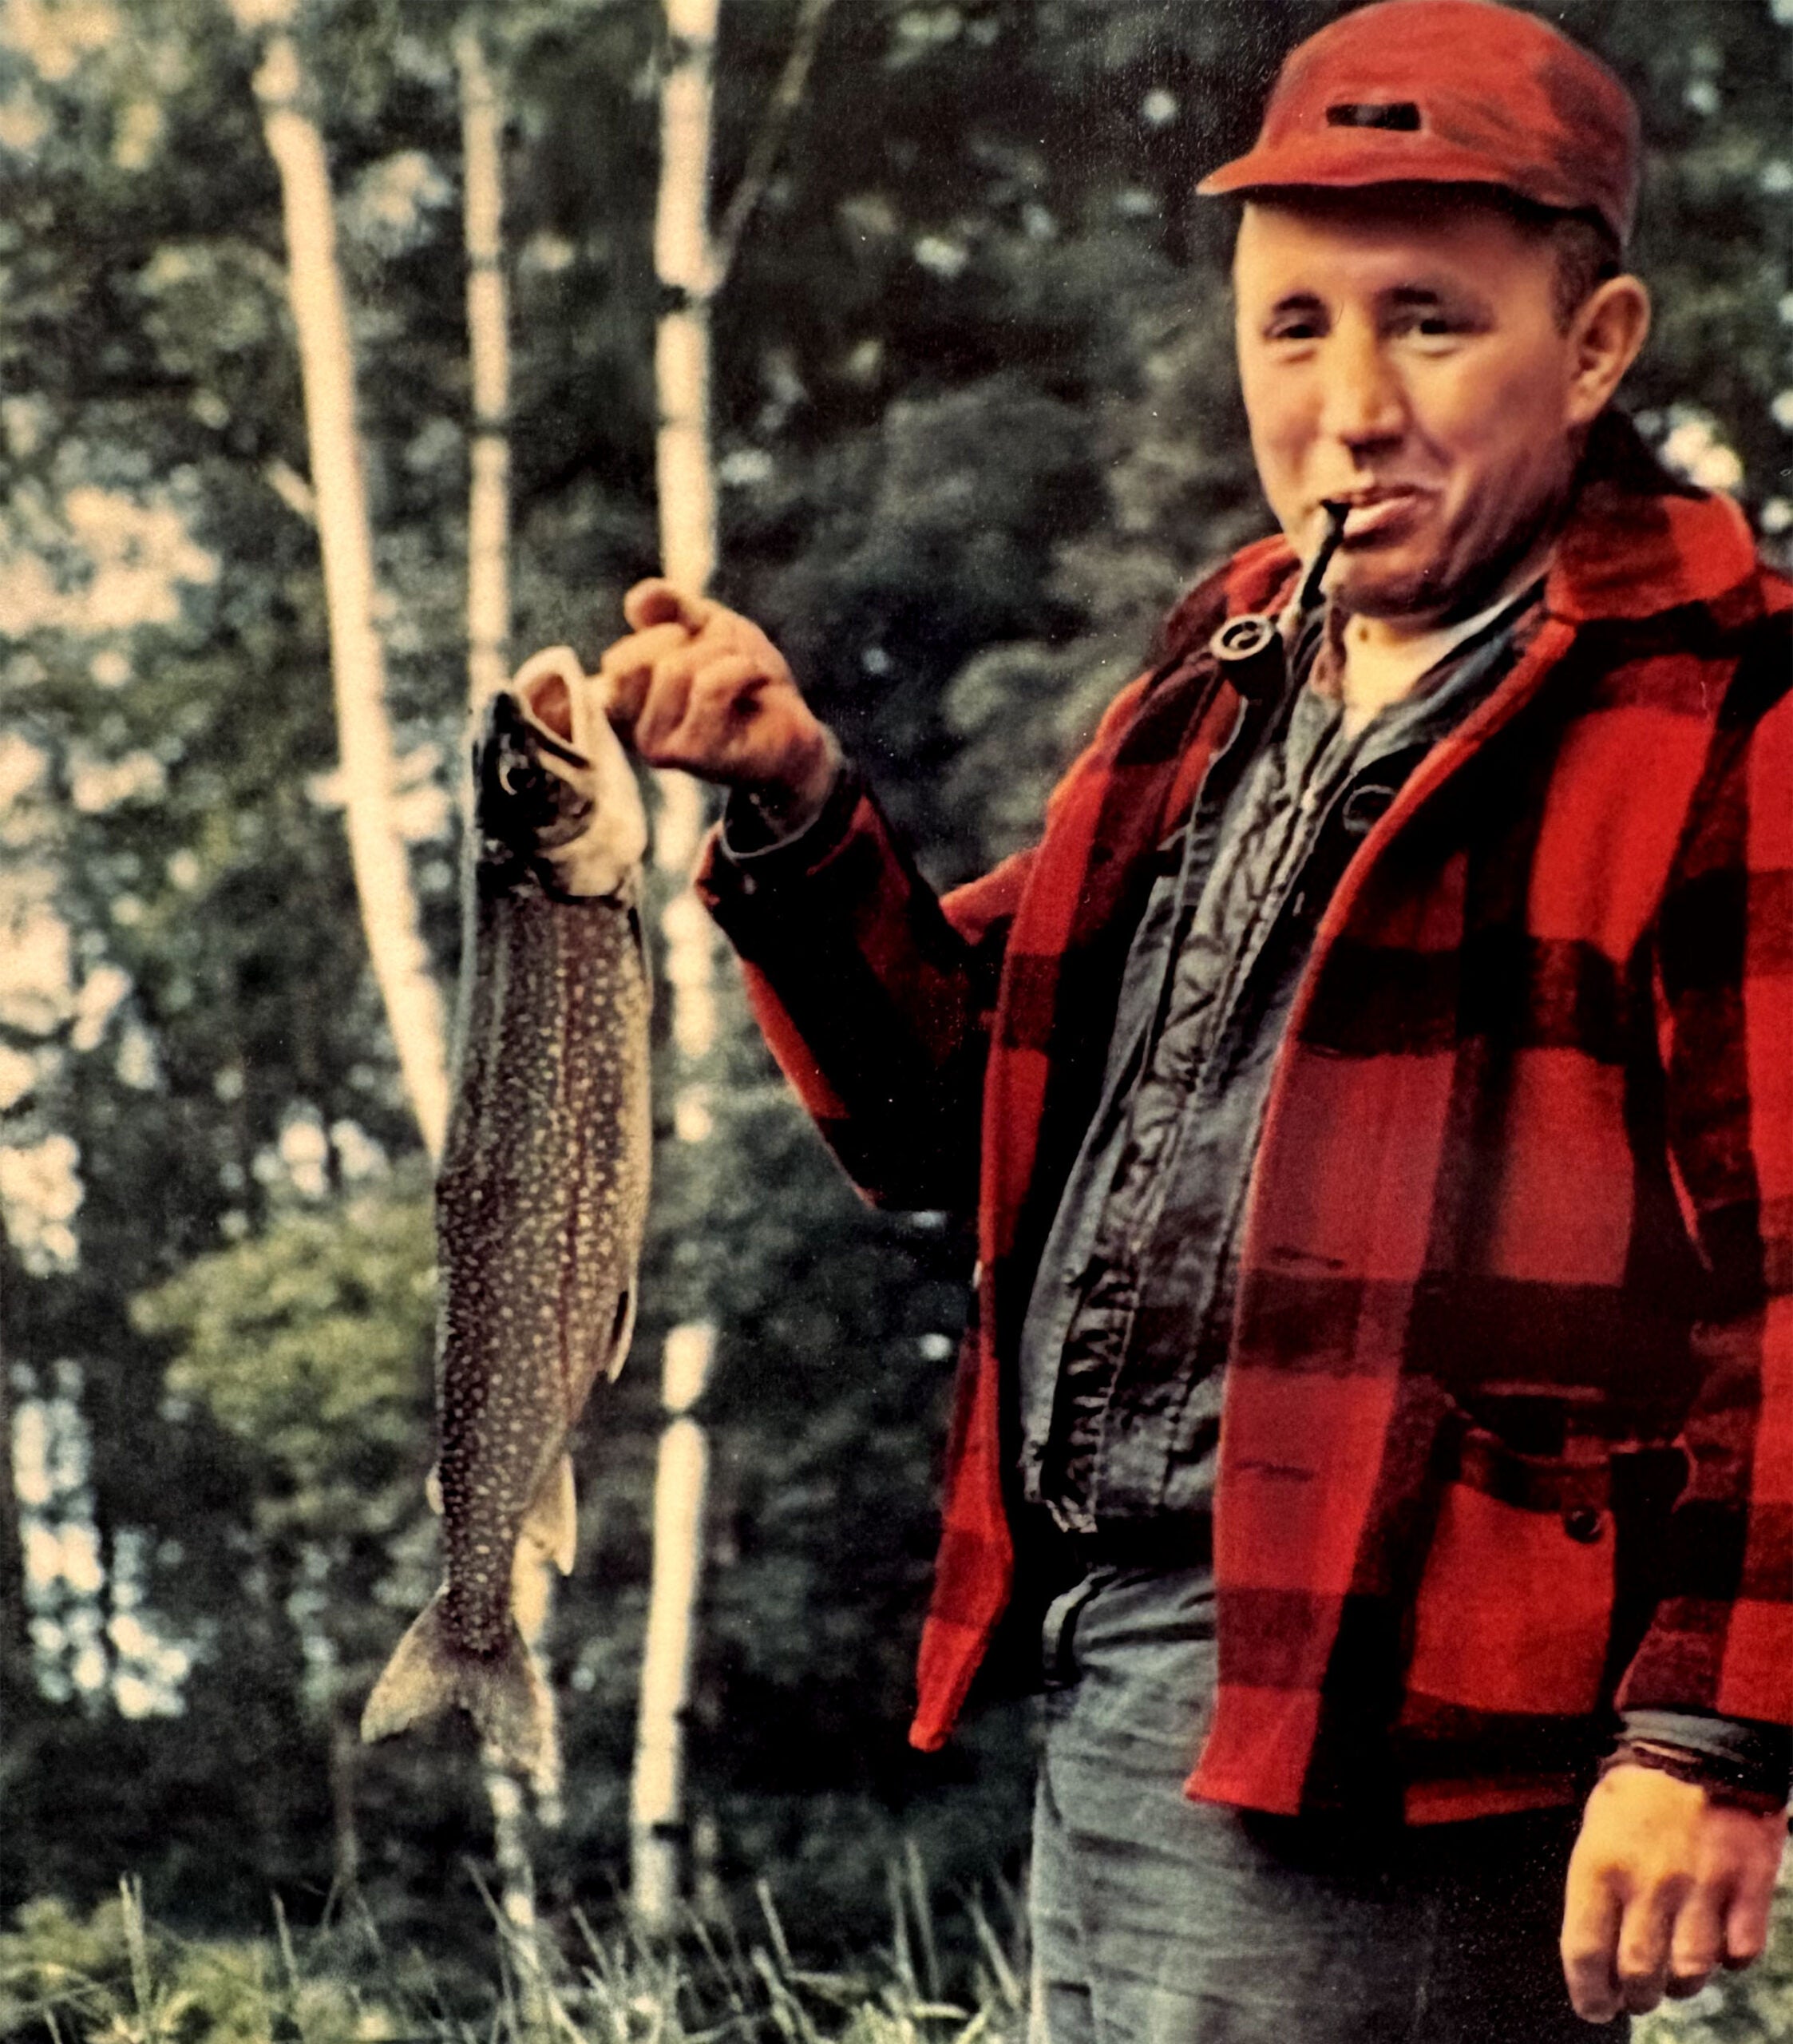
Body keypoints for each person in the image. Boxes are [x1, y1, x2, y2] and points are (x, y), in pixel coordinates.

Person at [594, 2, 1792, 2034]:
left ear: (1593, 348)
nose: (1348, 408)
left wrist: (1710, 1735)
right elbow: (959, 1117)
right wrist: (797, 805)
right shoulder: (1219, 668)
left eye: (1429, 322)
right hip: (1119, 1671)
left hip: (1390, 1733)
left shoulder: (1728, 715)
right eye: (1293, 326)